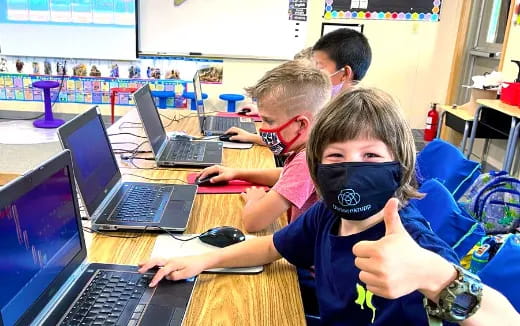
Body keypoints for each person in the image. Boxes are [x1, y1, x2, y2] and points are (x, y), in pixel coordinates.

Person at [139, 88, 520, 325]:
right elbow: (271, 246)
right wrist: (199, 260)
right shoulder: (328, 214)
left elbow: (504, 319)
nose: (351, 167)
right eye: (336, 156)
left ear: (399, 165)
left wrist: (435, 276)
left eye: (370, 155)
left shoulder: (411, 242)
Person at [197, 60, 331, 232]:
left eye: (268, 121)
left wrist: (254, 199)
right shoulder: (313, 149)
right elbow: (285, 176)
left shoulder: (306, 161)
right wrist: (236, 173)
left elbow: (253, 223)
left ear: (301, 125)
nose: (262, 129)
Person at [227, 28, 372, 144]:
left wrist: (252, 138)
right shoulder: (333, 104)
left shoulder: (347, 119)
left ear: (345, 73)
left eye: (318, 71)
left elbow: (296, 141)